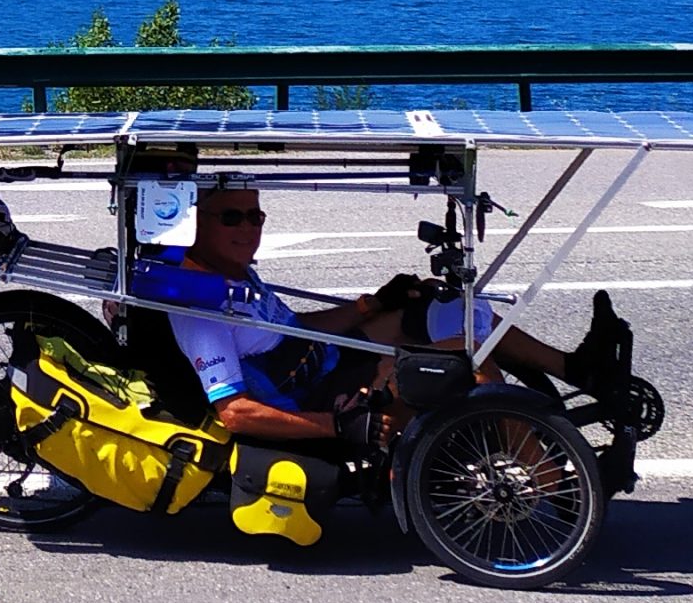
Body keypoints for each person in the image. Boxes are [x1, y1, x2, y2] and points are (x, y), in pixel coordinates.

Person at [161, 180, 629, 448]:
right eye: (232, 218)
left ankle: (578, 370)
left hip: (326, 358)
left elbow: (292, 330)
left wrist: (373, 304)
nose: (249, 227)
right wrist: (336, 426)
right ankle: (539, 477)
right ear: (196, 223)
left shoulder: (234, 275)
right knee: (468, 357)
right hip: (324, 396)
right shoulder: (201, 308)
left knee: (454, 309)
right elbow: (235, 413)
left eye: (255, 216)